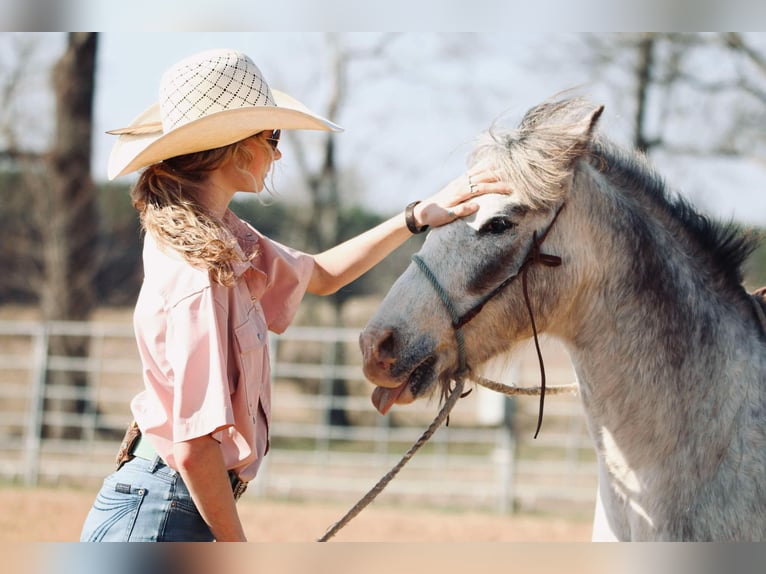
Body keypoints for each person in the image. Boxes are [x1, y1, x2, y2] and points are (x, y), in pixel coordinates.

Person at [79, 48, 508, 542]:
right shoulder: (201, 271)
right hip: (166, 509)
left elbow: (321, 274)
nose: (279, 153)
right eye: (273, 138)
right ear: (237, 149)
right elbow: (195, 444)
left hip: (167, 503)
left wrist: (415, 218)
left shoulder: (222, 240)